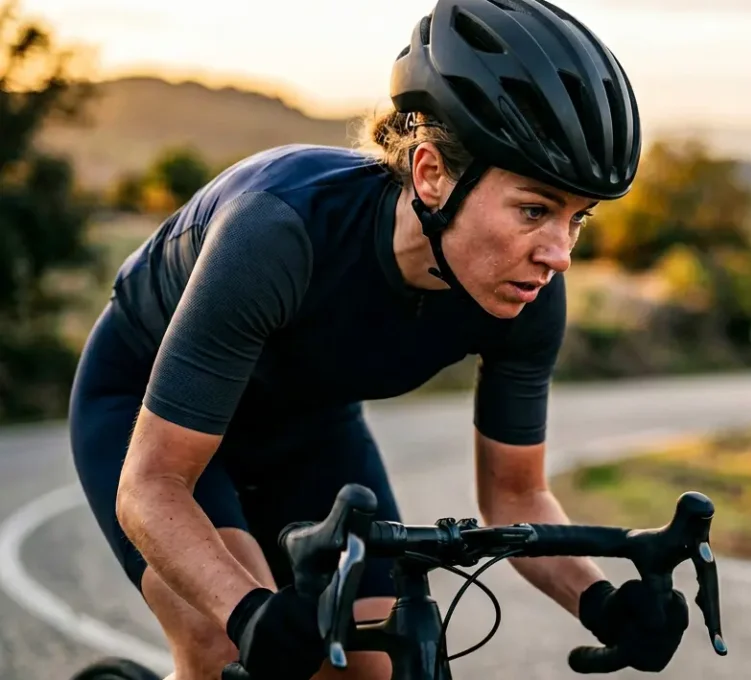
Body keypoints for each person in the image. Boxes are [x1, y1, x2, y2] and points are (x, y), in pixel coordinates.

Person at [67, 1, 690, 678]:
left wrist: (602, 604)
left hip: (307, 428)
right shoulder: (277, 234)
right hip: (144, 413)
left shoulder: (526, 291)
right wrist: (250, 614)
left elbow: (516, 498)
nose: (558, 253)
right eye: (535, 209)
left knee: (371, 662)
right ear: (430, 173)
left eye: (578, 219)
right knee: (226, 646)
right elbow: (152, 485)